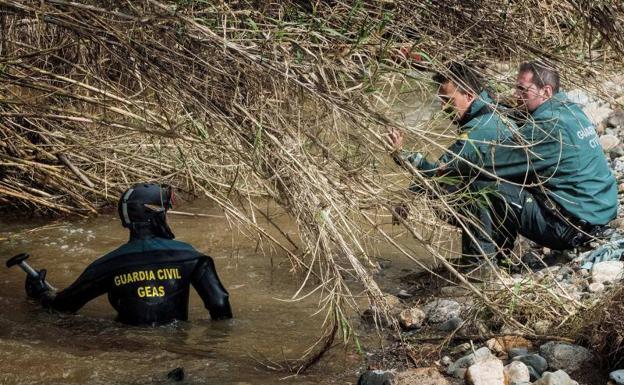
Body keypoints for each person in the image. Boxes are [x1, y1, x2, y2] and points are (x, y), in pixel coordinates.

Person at [443, 61, 617, 261]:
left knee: (482, 185)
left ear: (546, 91)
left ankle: (478, 267)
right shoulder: (571, 111)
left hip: (571, 229)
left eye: (522, 89)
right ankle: (500, 257)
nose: (516, 95)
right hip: (599, 213)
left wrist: (449, 162)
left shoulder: (547, 127)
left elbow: (489, 161)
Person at [24, 183, 233, 326]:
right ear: (157, 215)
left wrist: (40, 293)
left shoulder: (107, 265)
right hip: (179, 348)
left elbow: (63, 307)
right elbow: (220, 305)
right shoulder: (192, 257)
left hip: (127, 346)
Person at [389, 62, 516, 259]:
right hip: (516, 199)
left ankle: (479, 262)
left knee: (442, 193)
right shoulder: (493, 108)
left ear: (468, 95)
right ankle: (498, 254)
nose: (443, 107)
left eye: (448, 100)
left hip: (512, 204)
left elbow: (437, 172)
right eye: (441, 100)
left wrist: (401, 155)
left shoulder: (476, 132)